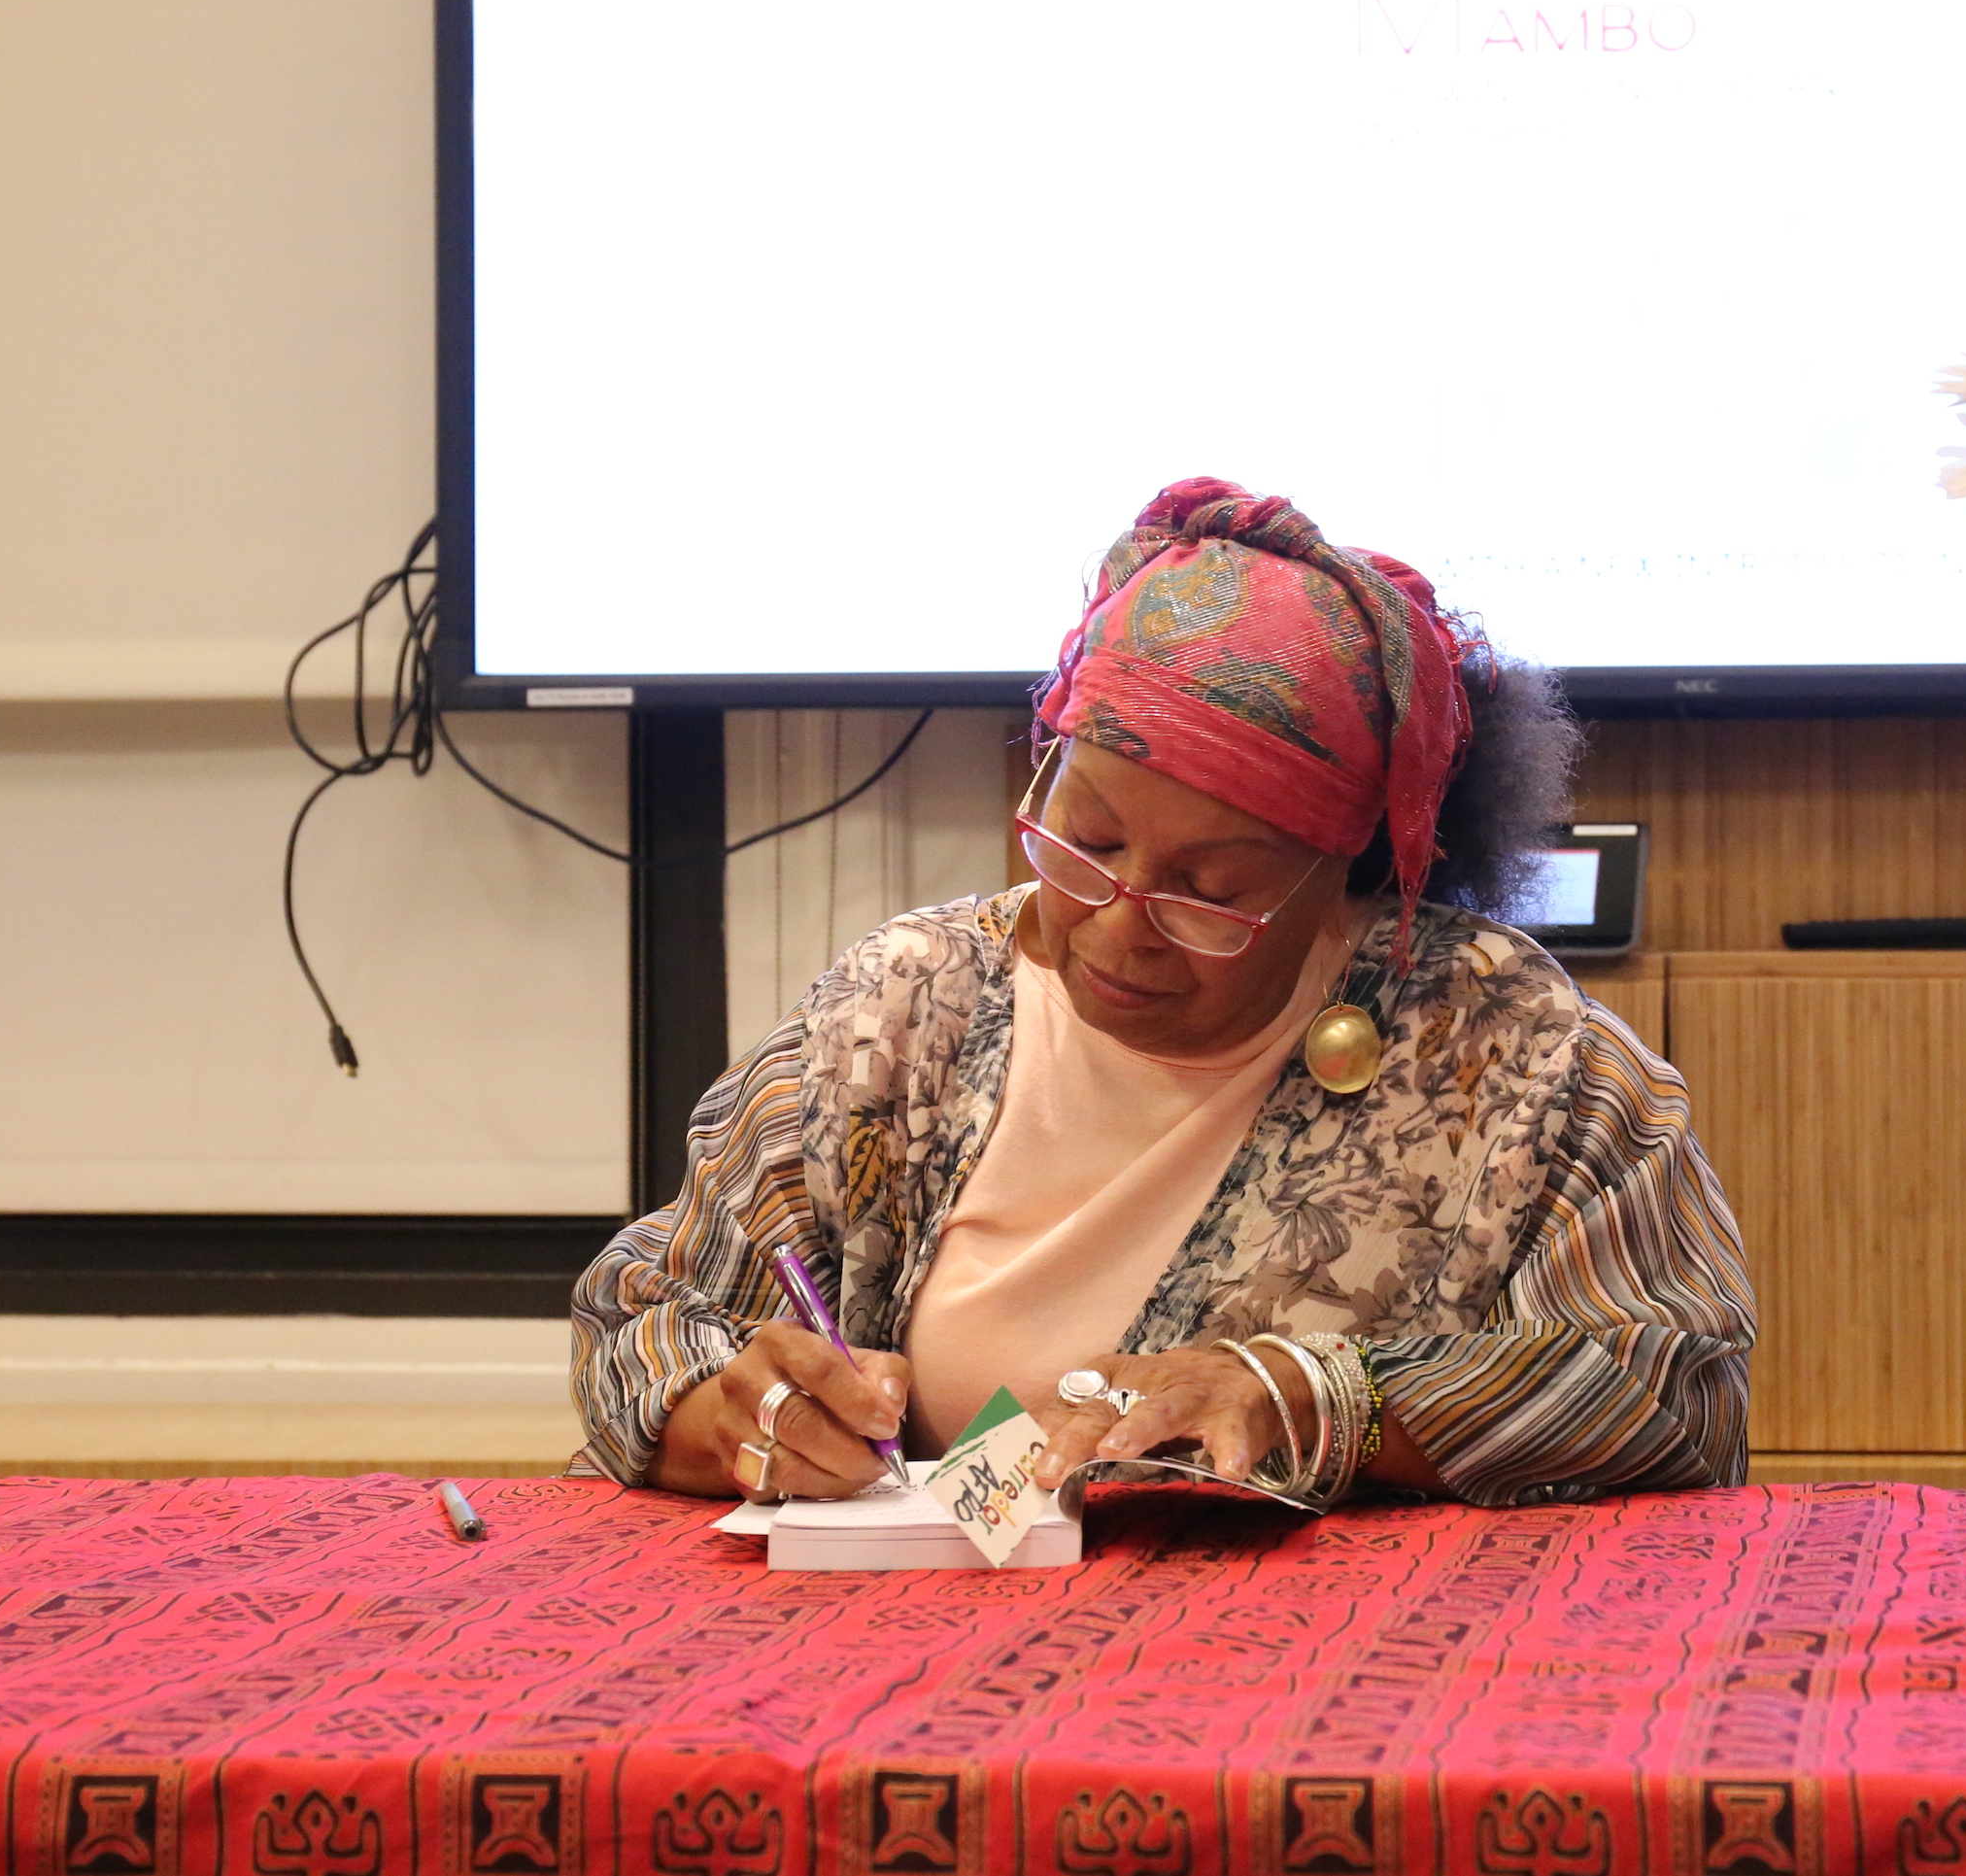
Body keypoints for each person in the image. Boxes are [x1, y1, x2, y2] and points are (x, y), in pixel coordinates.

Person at [570, 478, 1754, 1509]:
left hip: (1326, 1667)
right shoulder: (903, 1008)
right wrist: (734, 1414)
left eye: (1207, 889)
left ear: (1342, 876)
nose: (1117, 922)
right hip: (913, 1644)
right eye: (1084, 841)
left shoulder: (1508, 1054)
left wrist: (1309, 1396)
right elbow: (647, 1321)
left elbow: (1675, 1385)